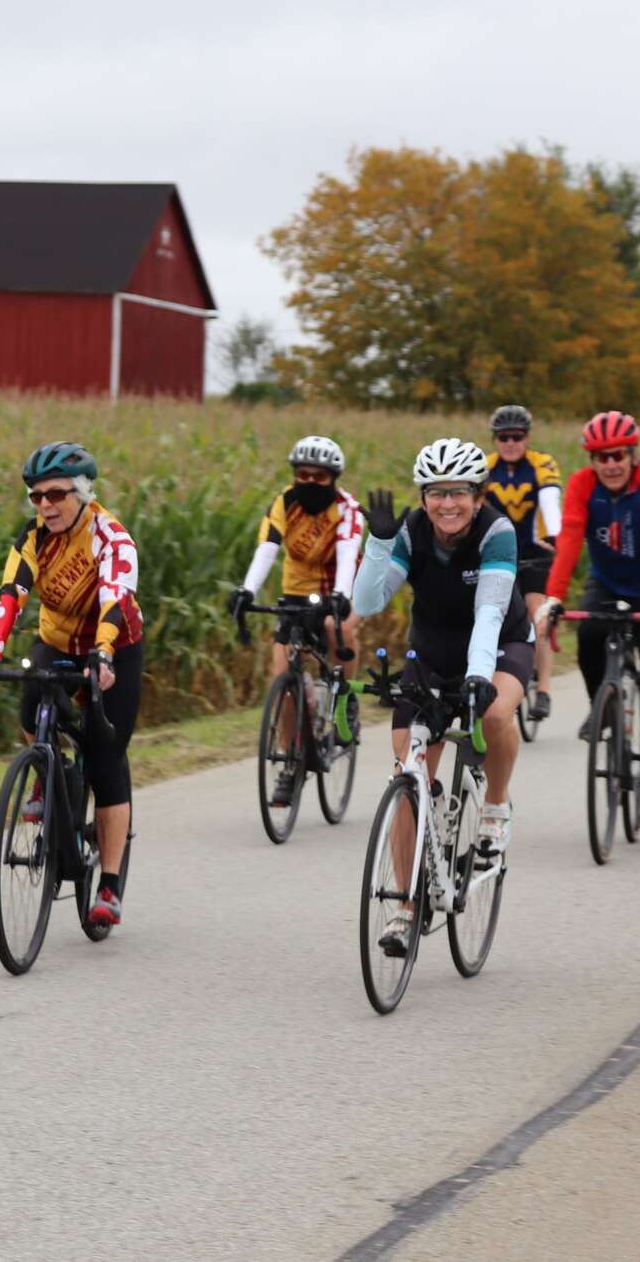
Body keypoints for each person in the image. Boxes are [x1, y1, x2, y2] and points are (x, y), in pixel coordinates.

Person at [353, 437, 532, 956]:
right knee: (407, 774)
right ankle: (406, 909)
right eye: (436, 492)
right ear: (423, 496)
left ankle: (495, 807)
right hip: (430, 654)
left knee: (494, 713)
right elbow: (368, 600)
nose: (447, 503)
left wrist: (477, 676)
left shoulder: (496, 532)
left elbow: (490, 612)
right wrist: (379, 544)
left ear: (478, 495)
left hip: (500, 645)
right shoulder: (411, 532)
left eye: (458, 492)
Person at [0, 442, 140, 927]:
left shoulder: (110, 537)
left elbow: (115, 598)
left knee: (106, 757)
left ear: (82, 492)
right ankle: (50, 775)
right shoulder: (34, 538)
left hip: (115, 645)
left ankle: (109, 885)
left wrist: (104, 651)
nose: (45, 505)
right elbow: (13, 593)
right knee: (31, 706)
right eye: (36, 496)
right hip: (58, 640)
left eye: (56, 495)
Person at [540, 411, 640, 831]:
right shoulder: (582, 485)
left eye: (618, 455)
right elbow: (569, 540)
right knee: (588, 635)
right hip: (606, 584)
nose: (610, 465)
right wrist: (553, 597)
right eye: (601, 457)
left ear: (632, 455)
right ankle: (602, 705)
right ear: (592, 461)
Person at [228, 435, 364, 808]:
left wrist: (341, 596)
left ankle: (344, 700)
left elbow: (349, 552)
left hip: (338, 590)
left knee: (339, 628)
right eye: (303, 475)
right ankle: (291, 762)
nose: (310, 482)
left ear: (333, 479)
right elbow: (268, 547)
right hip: (295, 595)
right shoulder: (285, 502)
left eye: (319, 477)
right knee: (283, 680)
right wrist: (247, 590)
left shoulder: (347, 508)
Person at [483, 405, 563, 720]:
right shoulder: (486, 467)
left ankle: (543, 691)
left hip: (536, 551)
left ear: (527, 438)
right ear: (495, 439)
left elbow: (550, 500)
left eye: (516, 437)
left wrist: (555, 535)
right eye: (503, 437)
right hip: (499, 554)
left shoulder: (542, 463)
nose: (510, 443)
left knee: (537, 614)